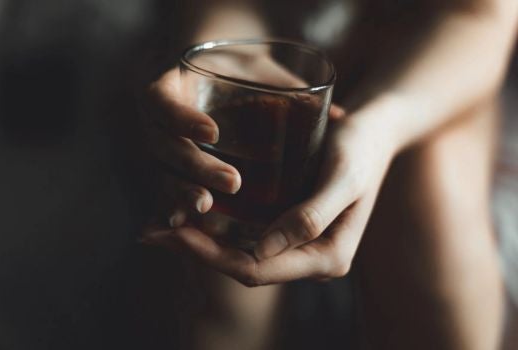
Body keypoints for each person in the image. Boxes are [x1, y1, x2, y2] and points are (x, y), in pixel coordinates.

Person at [140, 0, 518, 349]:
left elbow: (479, 15)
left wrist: (379, 127)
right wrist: (225, 62)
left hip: (428, 50)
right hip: (273, 27)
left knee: (432, 210)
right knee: (221, 261)